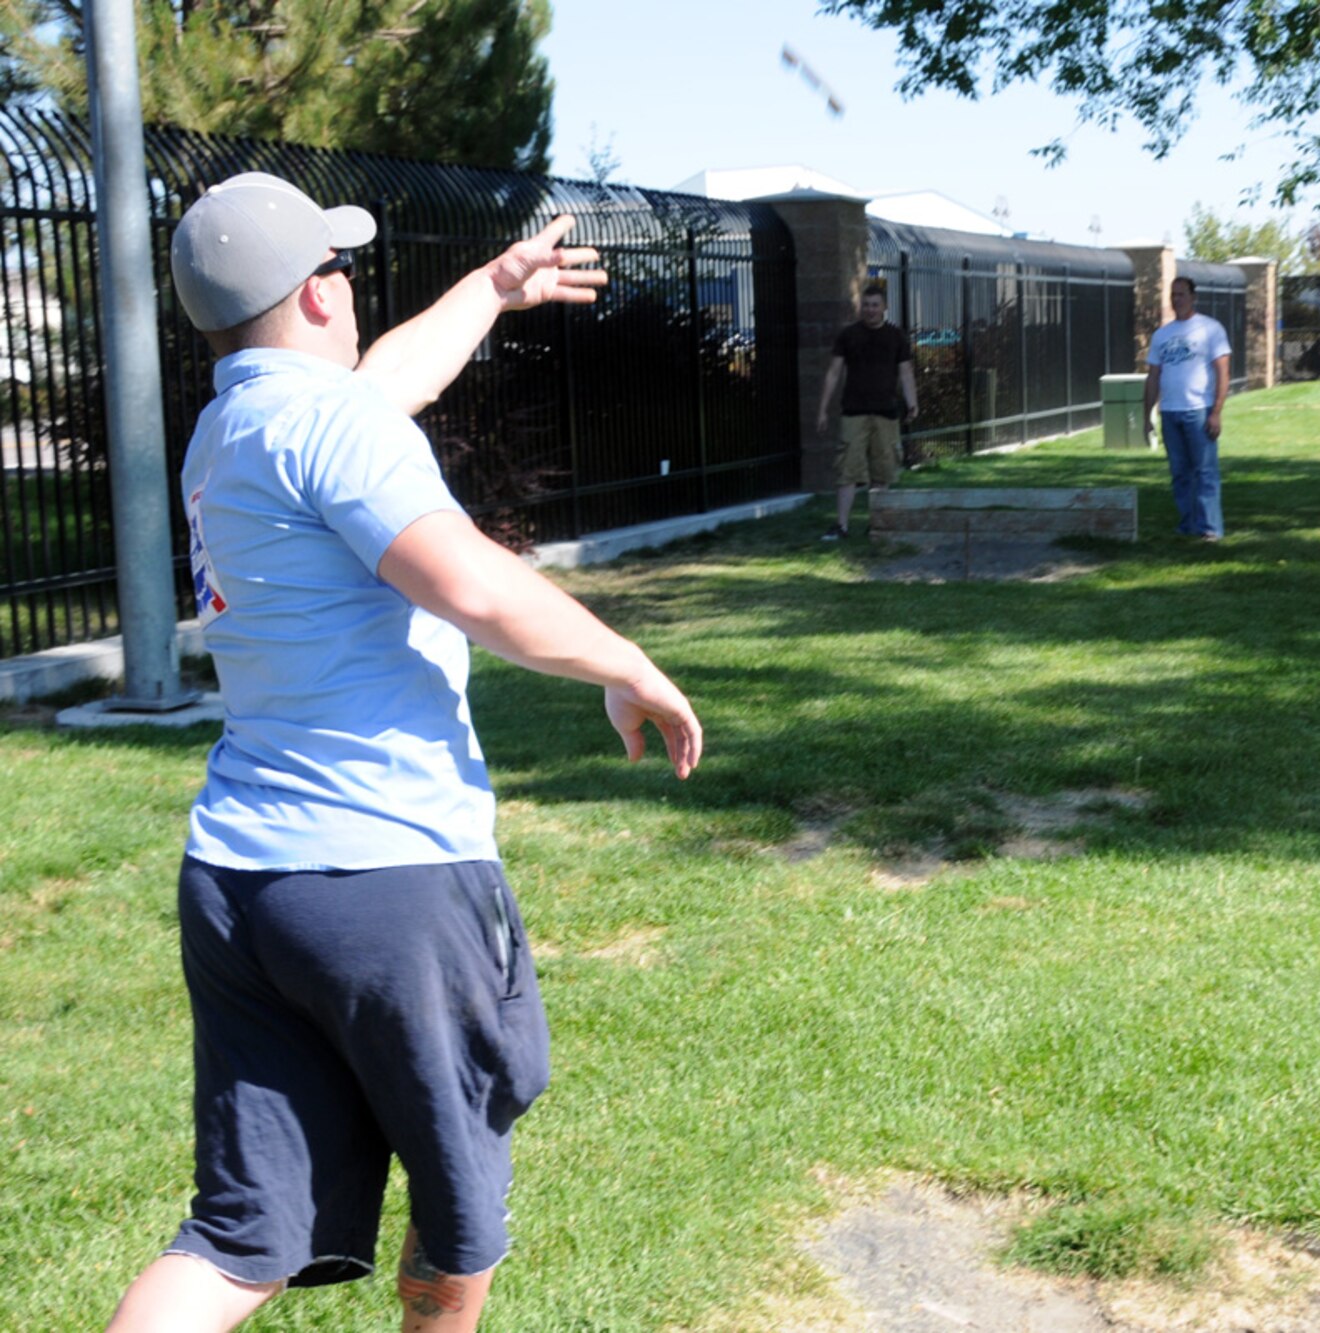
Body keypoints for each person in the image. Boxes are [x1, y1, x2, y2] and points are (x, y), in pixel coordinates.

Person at [104, 172, 702, 1333]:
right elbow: (469, 581)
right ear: (319, 295)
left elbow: (383, 391)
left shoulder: (235, 429)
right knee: (461, 1200)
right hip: (388, 881)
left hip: (241, 884)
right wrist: (623, 660)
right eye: (337, 269)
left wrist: (491, 286)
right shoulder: (330, 428)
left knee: (235, 1235)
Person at [815, 281, 917, 539]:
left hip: (886, 412)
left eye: (875, 305)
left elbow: (905, 373)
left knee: (883, 471)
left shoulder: (896, 337)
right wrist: (823, 410)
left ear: (885, 307)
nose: (870, 310)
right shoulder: (848, 335)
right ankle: (842, 526)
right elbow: (834, 372)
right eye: (866, 305)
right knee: (847, 469)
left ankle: (878, 526)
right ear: (861, 307)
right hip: (854, 412)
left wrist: (912, 402)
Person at [1142, 275, 1232, 539]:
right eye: (1173, 295)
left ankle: (1210, 528)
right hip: (1170, 412)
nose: (1176, 299)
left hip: (1199, 409)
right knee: (1180, 473)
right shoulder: (1162, 335)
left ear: (1193, 297)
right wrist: (1148, 414)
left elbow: (1223, 371)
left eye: (1181, 294)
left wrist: (1216, 411)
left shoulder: (1210, 329)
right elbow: (1153, 376)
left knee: (1205, 471)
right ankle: (1188, 525)